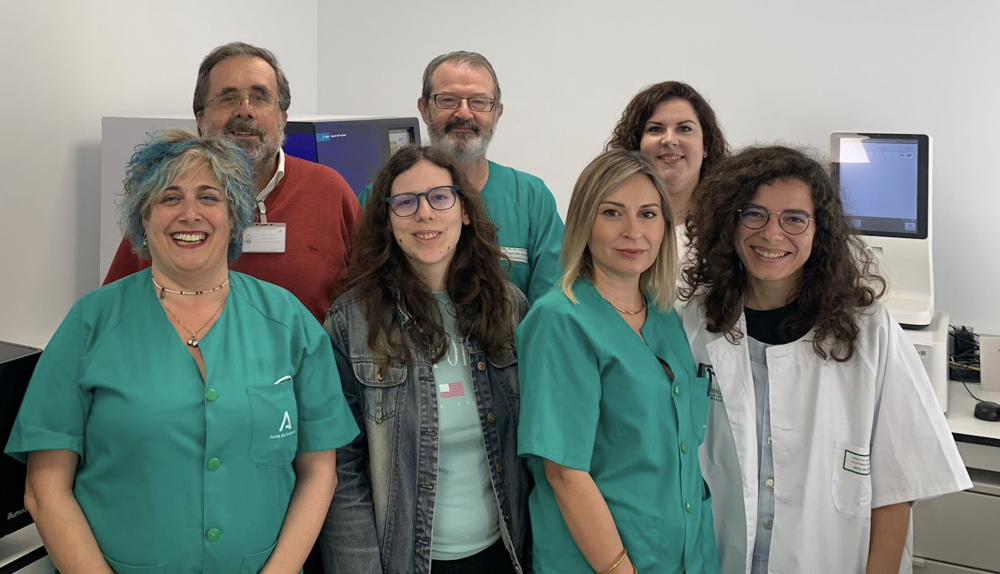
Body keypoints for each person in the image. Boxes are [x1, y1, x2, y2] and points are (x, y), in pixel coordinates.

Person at [4, 129, 359, 573]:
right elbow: (45, 488)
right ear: (144, 217)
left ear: (234, 216)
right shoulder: (90, 323)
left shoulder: (289, 323)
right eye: (170, 198)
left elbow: (319, 472)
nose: (190, 214)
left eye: (208, 197)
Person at [677, 145, 972, 574]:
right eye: (754, 213)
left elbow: (898, 488)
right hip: (717, 556)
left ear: (820, 231)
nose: (772, 234)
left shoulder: (868, 331)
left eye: (795, 218)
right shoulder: (693, 321)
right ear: (729, 221)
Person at [320, 145, 529, 574]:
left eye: (439, 197)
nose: (425, 214)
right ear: (387, 220)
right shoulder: (351, 322)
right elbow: (343, 471)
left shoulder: (509, 308)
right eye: (405, 202)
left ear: (464, 211)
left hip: (506, 553)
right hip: (402, 560)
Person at [517, 149, 721, 573]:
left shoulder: (663, 315)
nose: (633, 232)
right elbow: (564, 474)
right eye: (612, 213)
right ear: (584, 222)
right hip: (604, 562)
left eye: (648, 214)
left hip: (687, 556)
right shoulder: (561, 321)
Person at [103, 41, 361, 323]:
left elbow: (369, 299)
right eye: (227, 98)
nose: (244, 111)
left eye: (260, 98)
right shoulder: (167, 202)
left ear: (282, 118)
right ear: (200, 119)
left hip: (307, 352)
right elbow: (115, 311)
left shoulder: (329, 191)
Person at [360, 51, 564, 303]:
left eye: (479, 102)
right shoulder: (378, 196)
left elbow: (550, 305)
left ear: (497, 113)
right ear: (424, 109)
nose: (464, 113)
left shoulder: (531, 198)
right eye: (448, 100)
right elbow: (363, 292)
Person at [607, 81, 728, 266]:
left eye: (684, 129)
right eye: (656, 129)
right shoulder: (606, 223)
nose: (670, 140)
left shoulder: (731, 225)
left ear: (706, 145)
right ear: (637, 145)